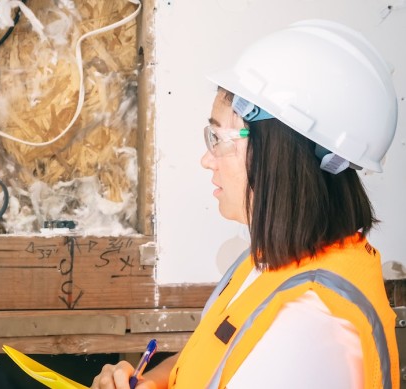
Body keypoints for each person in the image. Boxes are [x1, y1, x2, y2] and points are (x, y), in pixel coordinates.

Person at [92, 19, 399, 389]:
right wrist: (153, 381)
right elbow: (218, 353)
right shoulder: (273, 262)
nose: (207, 158)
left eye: (218, 137)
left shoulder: (311, 328)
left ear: (278, 152)